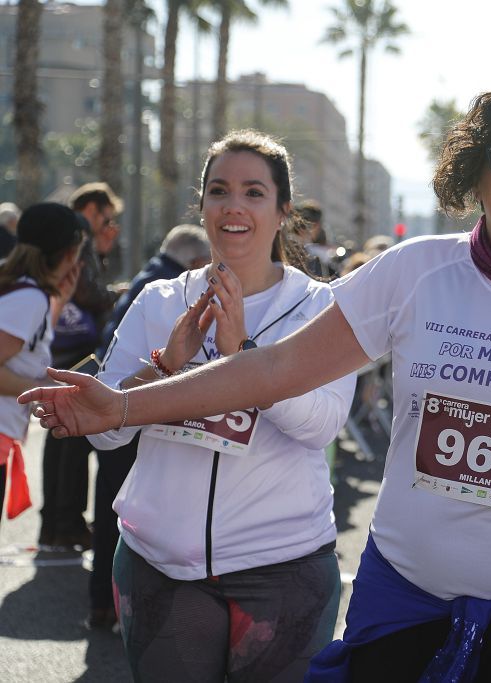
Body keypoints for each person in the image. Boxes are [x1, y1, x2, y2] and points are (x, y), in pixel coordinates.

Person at [22, 82, 491, 682]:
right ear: (478, 173)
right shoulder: (413, 271)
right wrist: (123, 403)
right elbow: (273, 367)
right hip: (408, 588)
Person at [56, 131, 356, 679]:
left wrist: (245, 355)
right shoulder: (161, 299)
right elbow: (108, 433)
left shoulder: (320, 307)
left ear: (283, 209)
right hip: (159, 566)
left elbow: (322, 426)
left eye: (253, 192)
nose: (234, 206)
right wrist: (166, 365)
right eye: (219, 190)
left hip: (282, 569)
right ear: (202, 205)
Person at [85, 224, 211, 632]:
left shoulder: (149, 277)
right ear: (194, 262)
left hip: (123, 405)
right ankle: (114, 607)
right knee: (118, 512)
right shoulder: (167, 290)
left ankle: (103, 605)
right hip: (130, 412)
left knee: (109, 510)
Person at [39, 182, 123, 549]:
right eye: (107, 218)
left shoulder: (66, 232)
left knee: (58, 437)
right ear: (91, 208)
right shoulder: (78, 233)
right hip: (75, 350)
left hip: (58, 345)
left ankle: (55, 523)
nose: (108, 226)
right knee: (70, 438)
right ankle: (67, 522)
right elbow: (87, 292)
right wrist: (121, 294)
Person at [0, 204, 83, 530]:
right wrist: (51, 392)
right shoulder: (30, 298)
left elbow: (23, 344)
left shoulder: (17, 286)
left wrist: (58, 302)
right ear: (68, 255)